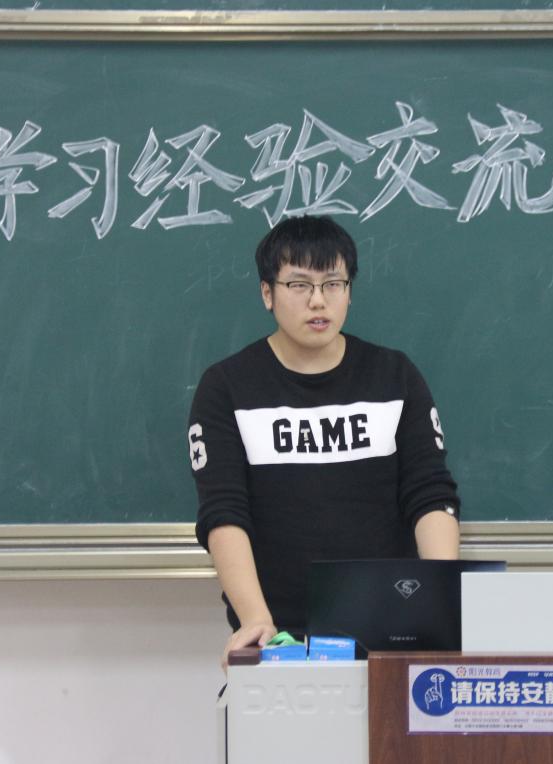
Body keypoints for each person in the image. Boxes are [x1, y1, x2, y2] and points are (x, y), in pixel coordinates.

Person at [188, 215, 460, 669]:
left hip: (394, 633)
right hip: (282, 639)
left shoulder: (394, 376)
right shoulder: (227, 387)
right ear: (267, 293)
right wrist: (257, 619)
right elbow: (223, 513)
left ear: (349, 291)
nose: (318, 300)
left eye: (333, 283)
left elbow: (430, 495)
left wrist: (440, 600)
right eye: (299, 285)